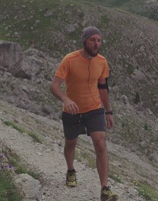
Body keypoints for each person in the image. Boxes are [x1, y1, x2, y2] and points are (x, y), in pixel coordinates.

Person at [50, 26, 118, 201]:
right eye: (92, 40)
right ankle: (71, 170)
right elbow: (54, 86)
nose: (96, 44)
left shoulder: (102, 61)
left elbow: (103, 88)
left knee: (100, 143)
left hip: (94, 108)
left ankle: (104, 188)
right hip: (72, 110)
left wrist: (108, 111)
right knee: (71, 143)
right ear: (84, 41)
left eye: (99, 40)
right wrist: (66, 100)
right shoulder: (70, 59)